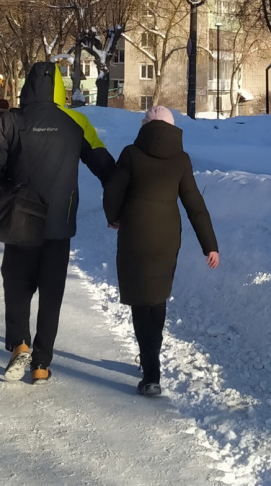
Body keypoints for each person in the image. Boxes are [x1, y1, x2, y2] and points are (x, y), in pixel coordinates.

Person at [0, 62, 114, 384]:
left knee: (16, 284)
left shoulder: (12, 120)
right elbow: (105, 168)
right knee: (52, 293)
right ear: (60, 88)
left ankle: (20, 343)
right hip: (59, 225)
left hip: (19, 223)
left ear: (26, 87)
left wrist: (6, 178)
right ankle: (42, 364)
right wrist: (119, 208)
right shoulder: (77, 122)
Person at [103, 106, 219, 397]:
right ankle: (151, 358)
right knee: (157, 296)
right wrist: (210, 245)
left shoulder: (131, 153)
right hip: (167, 237)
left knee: (141, 301)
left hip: (135, 235)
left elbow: (113, 191)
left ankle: (151, 370)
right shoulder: (181, 160)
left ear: (146, 126)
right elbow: (195, 205)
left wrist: (113, 216)